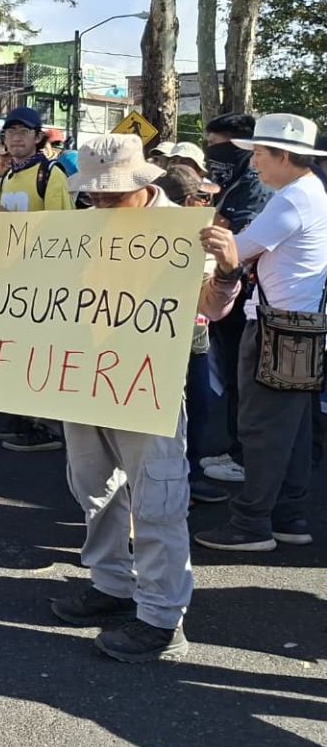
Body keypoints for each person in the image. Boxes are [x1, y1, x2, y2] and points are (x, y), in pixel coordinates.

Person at [0, 132, 240, 663]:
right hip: (83, 375)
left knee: (158, 498)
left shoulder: (186, 231)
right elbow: (40, 289)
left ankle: (162, 618)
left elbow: (212, 309)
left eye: (110, 194)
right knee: (93, 486)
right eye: (93, 194)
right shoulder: (78, 225)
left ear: (143, 185)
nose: (99, 201)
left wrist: (230, 270)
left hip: (146, 379)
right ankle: (111, 584)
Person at [194, 114, 327, 553]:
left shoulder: (291, 199)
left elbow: (239, 249)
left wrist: (207, 237)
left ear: (284, 156)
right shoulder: (310, 193)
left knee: (262, 429)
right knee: (292, 428)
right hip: (300, 326)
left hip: (275, 327)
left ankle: (251, 524)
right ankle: (289, 515)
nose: (254, 164)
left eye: (259, 155)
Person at [0, 107, 74, 451]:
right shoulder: (8, 177)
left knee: (45, 352)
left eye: (24, 131)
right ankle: (24, 417)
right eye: (10, 132)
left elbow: (62, 227)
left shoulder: (51, 173)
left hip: (43, 279)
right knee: (20, 351)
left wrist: (11, 222)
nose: (16, 138)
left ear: (38, 137)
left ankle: (49, 426)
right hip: (13, 280)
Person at [199, 113, 273, 484]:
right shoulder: (241, 181)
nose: (212, 156)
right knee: (233, 375)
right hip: (235, 290)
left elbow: (227, 236)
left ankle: (242, 457)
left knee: (240, 377)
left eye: (216, 147)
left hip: (242, 293)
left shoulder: (254, 186)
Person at [153, 165, 229, 505]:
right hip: (163, 339)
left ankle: (191, 476)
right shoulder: (153, 235)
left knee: (197, 410)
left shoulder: (204, 232)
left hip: (196, 335)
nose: (207, 203)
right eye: (202, 197)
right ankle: (167, 485)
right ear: (186, 200)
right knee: (167, 417)